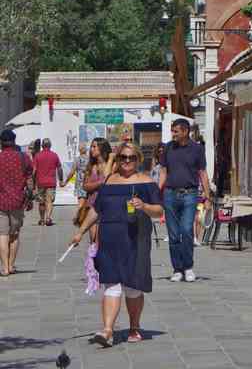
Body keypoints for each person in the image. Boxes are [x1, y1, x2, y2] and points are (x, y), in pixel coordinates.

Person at [71, 142, 163, 347]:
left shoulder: (146, 182)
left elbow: (159, 211)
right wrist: (81, 231)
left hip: (136, 240)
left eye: (131, 158)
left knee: (132, 287)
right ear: (118, 159)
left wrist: (145, 206)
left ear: (138, 160)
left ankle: (134, 326)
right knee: (111, 284)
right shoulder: (109, 182)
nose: (127, 161)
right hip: (110, 240)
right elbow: (96, 210)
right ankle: (107, 331)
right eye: (123, 157)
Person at [160, 119, 211, 282]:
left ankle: (188, 267)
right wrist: (156, 191)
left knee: (186, 230)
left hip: (190, 194)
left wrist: (207, 197)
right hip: (169, 194)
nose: (173, 134)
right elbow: (163, 171)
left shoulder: (197, 149)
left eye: (176, 131)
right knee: (173, 234)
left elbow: (203, 173)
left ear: (185, 131)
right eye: (172, 131)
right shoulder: (168, 148)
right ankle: (177, 269)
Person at [0, 129, 33, 276]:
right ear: (14, 141)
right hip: (17, 202)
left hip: (1, 202)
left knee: (2, 234)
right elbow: (30, 179)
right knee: (14, 234)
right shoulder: (23, 157)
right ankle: (12, 265)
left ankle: (5, 268)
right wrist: (30, 198)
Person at [83, 138, 113, 244]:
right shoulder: (91, 166)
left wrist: (110, 160)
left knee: (104, 241)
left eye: (94, 146)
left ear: (102, 148)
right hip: (92, 205)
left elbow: (107, 178)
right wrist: (99, 183)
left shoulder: (111, 165)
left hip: (107, 207)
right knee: (94, 241)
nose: (91, 149)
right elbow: (85, 186)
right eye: (91, 146)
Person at [32, 138, 63, 226]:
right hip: (51, 182)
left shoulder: (37, 156)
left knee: (41, 202)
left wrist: (33, 184)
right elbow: (59, 168)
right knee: (49, 201)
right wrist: (60, 180)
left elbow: (34, 171)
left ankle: (42, 219)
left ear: (42, 146)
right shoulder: (54, 155)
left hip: (40, 182)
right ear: (50, 145)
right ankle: (48, 218)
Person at [73, 144, 89, 223]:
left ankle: (78, 217)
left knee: (80, 200)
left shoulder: (77, 159)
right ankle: (81, 217)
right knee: (86, 200)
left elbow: (72, 171)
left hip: (79, 181)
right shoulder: (90, 159)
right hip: (88, 180)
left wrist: (65, 181)